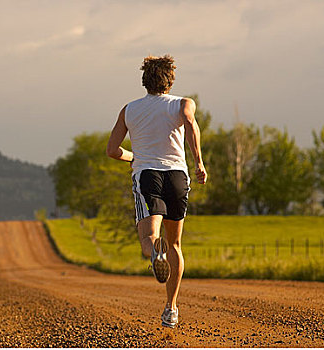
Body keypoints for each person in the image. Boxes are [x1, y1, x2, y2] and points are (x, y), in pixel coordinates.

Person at [106, 54, 207, 328]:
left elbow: (112, 150)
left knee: (149, 238)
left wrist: (134, 157)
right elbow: (190, 124)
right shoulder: (183, 104)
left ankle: (154, 253)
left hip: (147, 176)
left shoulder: (129, 110)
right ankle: (171, 308)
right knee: (175, 244)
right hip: (177, 176)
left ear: (144, 80)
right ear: (170, 80)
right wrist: (199, 162)